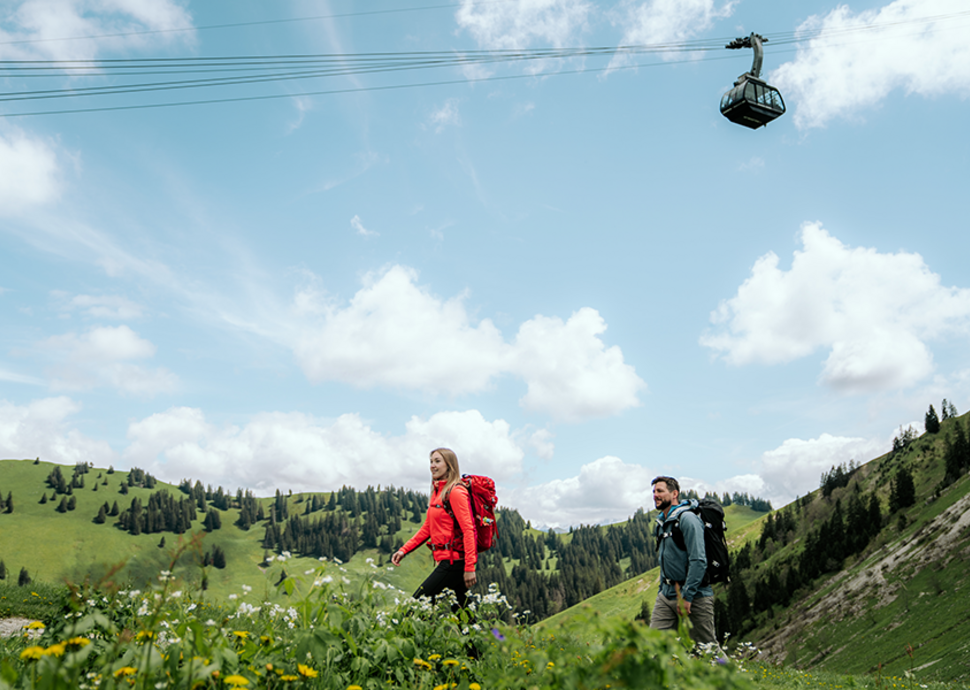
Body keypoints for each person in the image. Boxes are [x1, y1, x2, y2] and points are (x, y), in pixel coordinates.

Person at [392, 448, 477, 608]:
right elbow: (428, 528)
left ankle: (404, 631)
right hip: (447, 560)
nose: (432, 465)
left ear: (449, 465)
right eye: (431, 461)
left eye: (437, 461)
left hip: (454, 562)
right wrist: (404, 550)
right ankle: (488, 634)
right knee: (463, 613)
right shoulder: (438, 492)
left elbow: (469, 530)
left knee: (417, 606)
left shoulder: (456, 492)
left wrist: (470, 567)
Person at [649, 475, 716, 646]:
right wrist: (661, 590)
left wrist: (687, 596)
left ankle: (731, 673)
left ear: (674, 494)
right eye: (654, 491)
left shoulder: (688, 519)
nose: (655, 495)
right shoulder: (662, 523)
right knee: (654, 646)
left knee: (706, 650)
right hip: (666, 595)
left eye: (660, 491)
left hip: (695, 596)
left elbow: (699, 560)